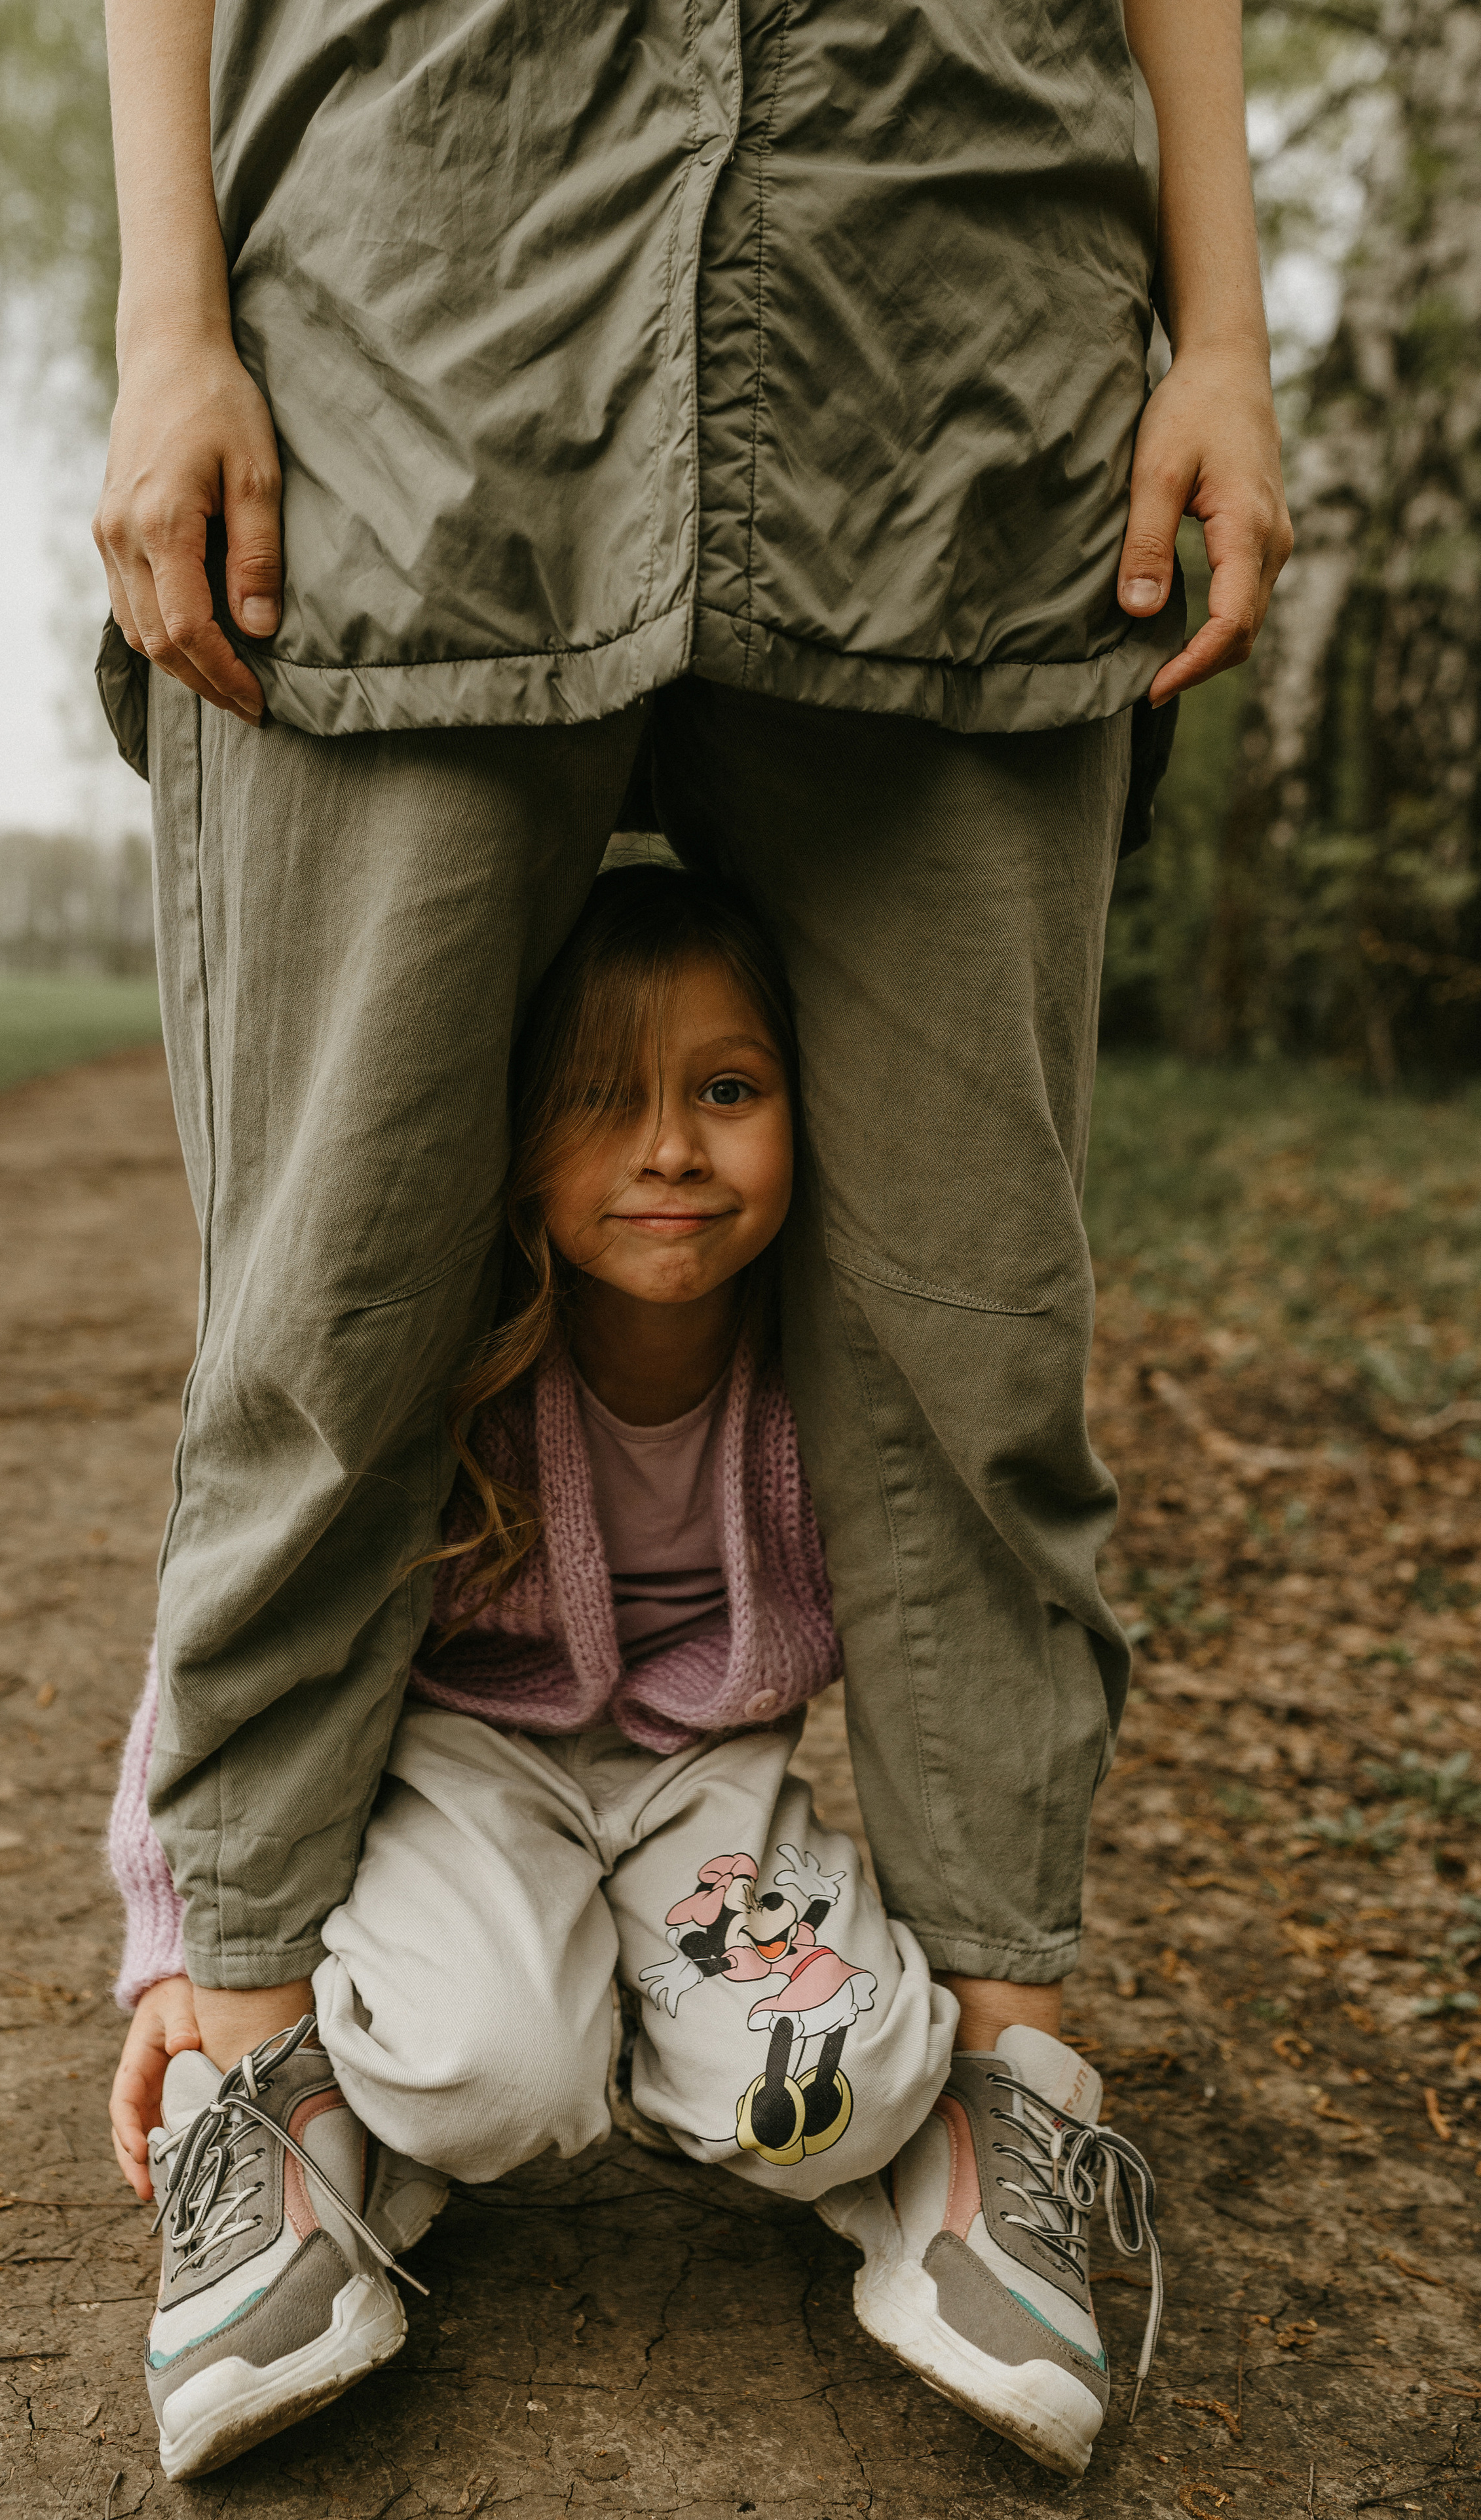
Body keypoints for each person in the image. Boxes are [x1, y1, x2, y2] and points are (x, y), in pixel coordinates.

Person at [93, 0, 1285, 2477]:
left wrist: (1229, 330)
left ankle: (1009, 2086)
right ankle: (252, 2063)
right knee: (335, 1280)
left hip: (952, 312)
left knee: (979, 1303)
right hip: (421, 307)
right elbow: (321, 1341)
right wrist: (168, 316)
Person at [107, 869, 1161, 2483]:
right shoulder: (456, 1352)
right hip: (462, 1759)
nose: (669, 1148)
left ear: (810, 1112)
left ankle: (901, 2164)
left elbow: (963, 1614)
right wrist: (179, 1940)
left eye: (725, 1092)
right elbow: (251, 1603)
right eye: (602, 1100)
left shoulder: (836, 1374)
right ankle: (324, 2130)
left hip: (699, 1775)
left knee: (846, 2088)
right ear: (518, 1134)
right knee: (484, 2080)